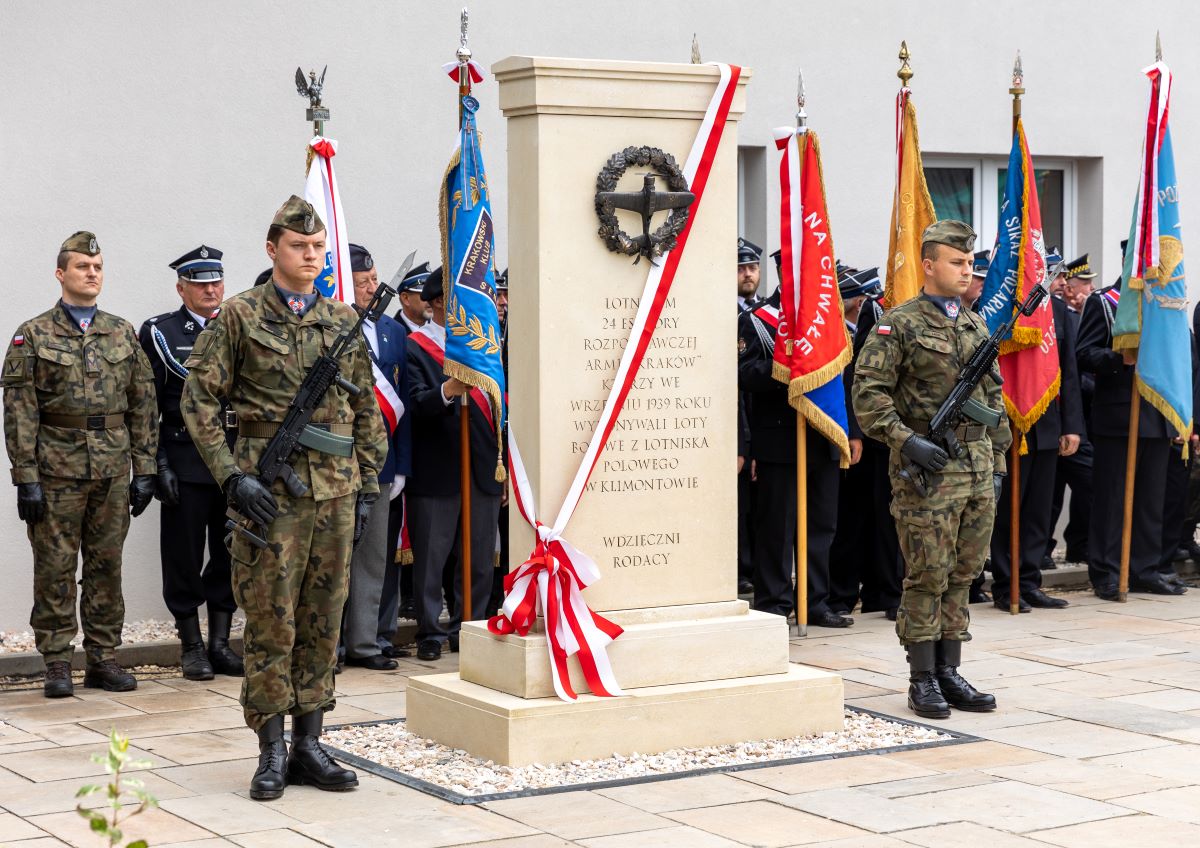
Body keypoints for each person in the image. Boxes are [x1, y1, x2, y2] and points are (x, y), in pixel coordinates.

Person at [181, 196, 388, 800]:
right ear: (273, 250)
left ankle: (310, 745)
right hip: (268, 495)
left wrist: (369, 483)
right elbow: (199, 402)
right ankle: (271, 750)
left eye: (319, 247)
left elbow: (365, 408)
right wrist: (232, 478)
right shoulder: (240, 317)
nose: (312, 256)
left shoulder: (339, 320)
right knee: (272, 621)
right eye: (300, 247)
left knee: (323, 620)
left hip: (335, 492)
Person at [853, 219, 1010, 719]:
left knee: (965, 573)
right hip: (929, 472)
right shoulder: (897, 324)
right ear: (928, 265)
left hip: (977, 468)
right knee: (927, 574)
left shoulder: (975, 323)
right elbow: (868, 396)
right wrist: (908, 442)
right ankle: (922, 676)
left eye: (969, 263)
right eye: (957, 262)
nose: (966, 271)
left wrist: (999, 462)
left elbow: (993, 399)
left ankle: (949, 669)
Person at [2, 231, 157, 698]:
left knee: (107, 565)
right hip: (56, 471)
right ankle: (55, 661)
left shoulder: (122, 332)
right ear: (61, 274)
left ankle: (104, 658)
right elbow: (19, 412)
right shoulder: (33, 334)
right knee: (54, 566)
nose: (93, 274)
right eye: (83, 267)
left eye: (98, 267)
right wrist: (24, 477)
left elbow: (142, 402)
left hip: (111, 471)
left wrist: (144, 467)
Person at [138, 245, 243, 681]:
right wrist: (157, 462)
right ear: (181, 288)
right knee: (182, 556)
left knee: (230, 554)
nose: (211, 289)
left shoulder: (242, 327)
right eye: (200, 283)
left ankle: (220, 643)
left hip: (235, 461)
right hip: (185, 459)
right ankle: (191, 645)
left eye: (216, 281)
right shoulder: (160, 333)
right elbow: (147, 406)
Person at [738, 249, 850, 629]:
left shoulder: (826, 320)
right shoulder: (757, 321)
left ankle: (815, 601)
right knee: (777, 526)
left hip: (822, 434)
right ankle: (774, 601)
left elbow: (845, 381)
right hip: (779, 440)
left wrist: (854, 432)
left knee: (822, 525)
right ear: (783, 272)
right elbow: (744, 375)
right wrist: (781, 365)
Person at [1076, 242, 1186, 600]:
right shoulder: (1105, 302)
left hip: (1155, 414)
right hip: (1119, 416)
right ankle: (1106, 571)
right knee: (1112, 499)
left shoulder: (1165, 306)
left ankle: (1144, 568)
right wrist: (1117, 358)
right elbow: (1084, 354)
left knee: (1151, 498)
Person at [406, 266, 503, 661]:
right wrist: (448, 390)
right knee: (432, 556)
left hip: (482, 466)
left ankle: (471, 623)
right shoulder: (417, 346)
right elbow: (415, 403)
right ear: (440, 304)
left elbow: (502, 410)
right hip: (437, 468)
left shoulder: (486, 348)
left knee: (479, 556)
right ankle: (430, 629)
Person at [987, 251, 1084, 612]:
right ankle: (1004, 585)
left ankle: (1029, 582)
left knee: (1039, 511)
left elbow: (1069, 372)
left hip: (1046, 423)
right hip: (1009, 424)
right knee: (1009, 508)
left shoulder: (1057, 312)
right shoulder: (1003, 307)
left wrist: (1072, 426)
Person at [341, 243, 412, 670]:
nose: (370, 289)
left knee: (371, 559)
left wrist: (400, 464)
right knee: (330, 561)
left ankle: (364, 643)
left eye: (372, 280)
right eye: (361, 283)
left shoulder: (392, 332)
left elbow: (400, 406)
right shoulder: (330, 328)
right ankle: (326, 646)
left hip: (380, 464)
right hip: (332, 463)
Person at [1045, 254, 1098, 567]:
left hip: (1079, 417)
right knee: (1049, 494)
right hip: (1056, 414)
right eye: (1060, 277)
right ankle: (1039, 552)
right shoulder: (1057, 312)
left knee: (1084, 487)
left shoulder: (1076, 314)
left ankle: (1080, 544)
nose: (1065, 283)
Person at [736, 237, 763, 595]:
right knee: (740, 508)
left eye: (752, 267)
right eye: (741, 268)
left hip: (764, 423)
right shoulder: (726, 314)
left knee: (760, 509)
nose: (747, 274)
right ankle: (740, 567)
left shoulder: (764, 313)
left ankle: (754, 565)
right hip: (739, 423)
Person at [394, 261, 433, 333]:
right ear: (405, 298)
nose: (430, 299)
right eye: (424, 294)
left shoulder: (441, 329)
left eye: (431, 294)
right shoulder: (391, 333)